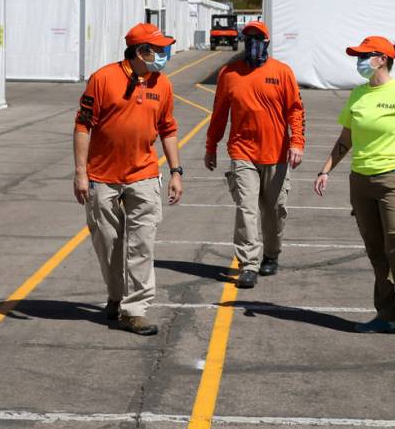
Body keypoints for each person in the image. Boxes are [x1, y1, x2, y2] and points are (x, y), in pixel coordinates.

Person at [313, 36, 395, 339]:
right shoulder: (358, 95)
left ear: (382, 58)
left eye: (364, 55)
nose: (358, 61)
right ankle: (387, 316)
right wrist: (325, 169)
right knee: (375, 251)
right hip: (361, 181)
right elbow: (346, 139)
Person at [74, 22, 183, 336]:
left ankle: (135, 310)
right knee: (109, 244)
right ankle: (116, 296)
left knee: (142, 245)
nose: (164, 54)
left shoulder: (162, 84)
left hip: (144, 175)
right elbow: (83, 126)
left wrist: (176, 171)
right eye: (159, 49)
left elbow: (169, 129)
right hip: (102, 176)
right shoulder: (103, 79)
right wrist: (81, 173)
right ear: (140, 51)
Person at [204, 20, 305, 289]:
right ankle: (248, 264)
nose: (252, 44)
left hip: (277, 153)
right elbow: (219, 114)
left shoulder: (282, 72)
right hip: (242, 153)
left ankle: (271, 254)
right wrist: (211, 146)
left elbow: (295, 110)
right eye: (247, 38)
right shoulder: (229, 74)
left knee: (274, 210)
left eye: (257, 38)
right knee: (246, 208)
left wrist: (297, 142)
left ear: (267, 43)